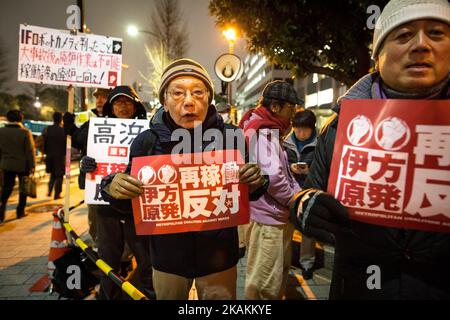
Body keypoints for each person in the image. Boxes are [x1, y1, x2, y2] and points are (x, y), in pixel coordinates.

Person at [291, 0, 450, 299]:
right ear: (377, 56)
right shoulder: (341, 127)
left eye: (436, 33)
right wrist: (306, 207)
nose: (421, 45)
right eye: (403, 35)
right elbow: (308, 193)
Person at [100, 58, 268, 300]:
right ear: (164, 102)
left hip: (219, 257)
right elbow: (131, 204)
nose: (189, 101)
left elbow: (251, 189)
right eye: (178, 93)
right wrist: (112, 186)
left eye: (198, 93)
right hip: (167, 258)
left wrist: (257, 181)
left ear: (209, 99)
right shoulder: (146, 142)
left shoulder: (232, 137)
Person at [77, 86, 153, 300]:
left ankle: (139, 294)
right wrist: (85, 165)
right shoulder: (95, 129)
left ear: (136, 105)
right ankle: (109, 296)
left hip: (137, 207)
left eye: (127, 101)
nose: (122, 106)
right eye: (117, 102)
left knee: (147, 260)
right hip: (106, 207)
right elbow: (85, 172)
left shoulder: (150, 132)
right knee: (108, 259)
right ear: (110, 106)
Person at [239, 80, 301, 300]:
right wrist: (296, 199)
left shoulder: (267, 129)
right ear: (275, 107)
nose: (293, 114)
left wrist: (298, 192)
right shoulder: (262, 132)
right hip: (268, 219)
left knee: (272, 280)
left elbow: (281, 172)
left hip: (273, 216)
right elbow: (273, 178)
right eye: (290, 108)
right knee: (265, 285)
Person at [63, 88, 111, 244]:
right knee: (95, 218)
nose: (99, 100)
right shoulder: (91, 123)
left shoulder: (126, 122)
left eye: (104, 97)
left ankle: (124, 257)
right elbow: (78, 140)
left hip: (117, 181)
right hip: (94, 180)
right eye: (97, 97)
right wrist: (69, 127)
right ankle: (98, 249)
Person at [284, 109, 318, 280]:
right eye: (297, 129)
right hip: (290, 189)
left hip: (310, 190)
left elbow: (324, 167)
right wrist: (291, 167)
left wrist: (309, 170)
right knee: (287, 227)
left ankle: (307, 263)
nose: (301, 133)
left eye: (305, 129)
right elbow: (283, 164)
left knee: (307, 229)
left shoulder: (320, 143)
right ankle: (286, 262)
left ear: (313, 128)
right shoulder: (286, 142)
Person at [0, 110, 36, 222]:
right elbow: (30, 151)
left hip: (6, 165)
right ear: (20, 118)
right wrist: (32, 166)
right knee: (23, 188)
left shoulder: (1, 132)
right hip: (23, 165)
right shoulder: (25, 132)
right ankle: (20, 211)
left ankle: (1, 212)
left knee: (6, 188)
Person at [42, 112, 66, 200]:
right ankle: (57, 194)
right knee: (59, 176)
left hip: (49, 156)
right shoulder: (63, 130)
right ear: (61, 119)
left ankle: (49, 191)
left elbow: (43, 142)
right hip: (60, 157)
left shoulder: (47, 129)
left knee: (52, 175)